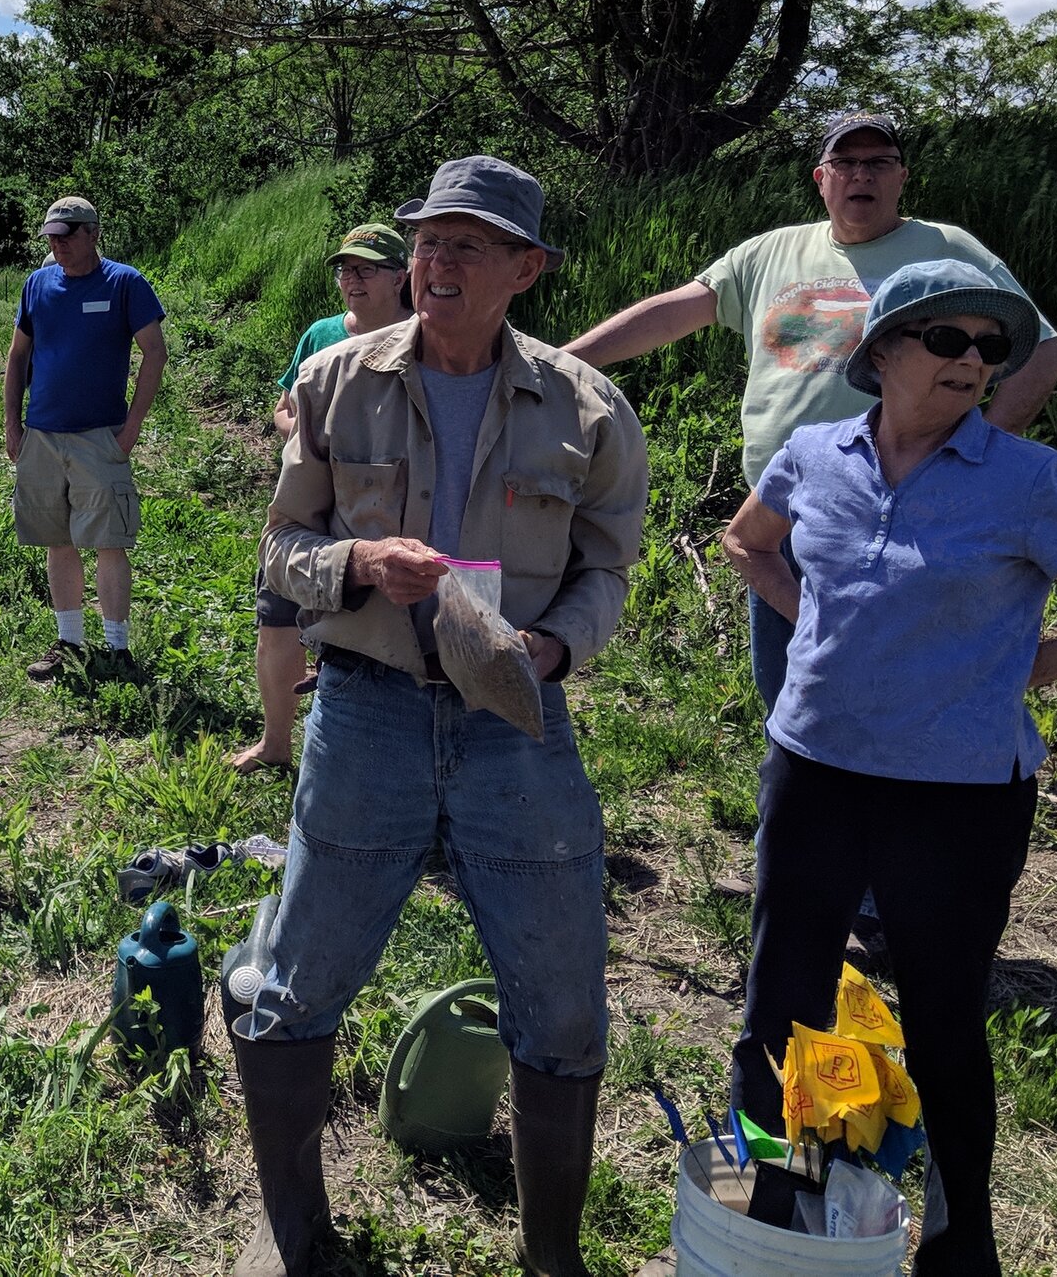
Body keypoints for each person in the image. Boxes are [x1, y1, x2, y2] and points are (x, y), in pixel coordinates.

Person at [719, 261, 1057, 1274]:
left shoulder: (1026, 481)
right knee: (783, 1000)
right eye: (949, 340)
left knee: (941, 1016)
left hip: (957, 801)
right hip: (814, 772)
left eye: (992, 348)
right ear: (884, 353)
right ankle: (776, 1209)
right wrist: (814, 625)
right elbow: (747, 542)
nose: (974, 362)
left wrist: (1025, 666)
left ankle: (957, 1245)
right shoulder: (812, 456)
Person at [246, 157, 649, 1277]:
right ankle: (300, 1244)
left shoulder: (585, 405)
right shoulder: (334, 381)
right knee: (296, 985)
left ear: (526, 268)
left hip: (514, 726)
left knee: (563, 1002)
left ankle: (550, 1259)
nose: (437, 261)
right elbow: (281, 550)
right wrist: (358, 561)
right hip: (365, 715)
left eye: (470, 244)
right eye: (428, 240)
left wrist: (557, 646)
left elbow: (609, 566)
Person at [564, 111, 1057, 713]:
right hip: (779, 515)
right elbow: (673, 312)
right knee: (789, 690)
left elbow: (1044, 353)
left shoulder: (945, 249)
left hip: (898, 511)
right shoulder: (770, 252)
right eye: (846, 163)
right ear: (821, 177)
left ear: (901, 176)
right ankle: (799, 791)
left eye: (878, 162)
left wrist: (975, 453)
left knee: (896, 691)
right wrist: (561, 361)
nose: (862, 174)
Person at [230, 220, 412, 774]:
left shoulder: (426, 337)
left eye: (367, 268)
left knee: (381, 632)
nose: (352, 279)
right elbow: (284, 407)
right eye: (345, 269)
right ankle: (276, 743)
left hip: (382, 512)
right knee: (277, 618)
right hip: (308, 505)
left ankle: (373, 758)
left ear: (401, 277)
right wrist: (310, 442)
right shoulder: (321, 335)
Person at [2, 195, 169, 682]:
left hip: (100, 437)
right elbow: (17, 358)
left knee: (109, 542)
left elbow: (154, 353)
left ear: (94, 232)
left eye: (69, 234)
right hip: (43, 436)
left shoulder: (124, 283)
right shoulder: (37, 284)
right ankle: (69, 642)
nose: (59, 244)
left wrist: (130, 429)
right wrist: (14, 425)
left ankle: (118, 648)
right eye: (53, 236)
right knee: (58, 540)